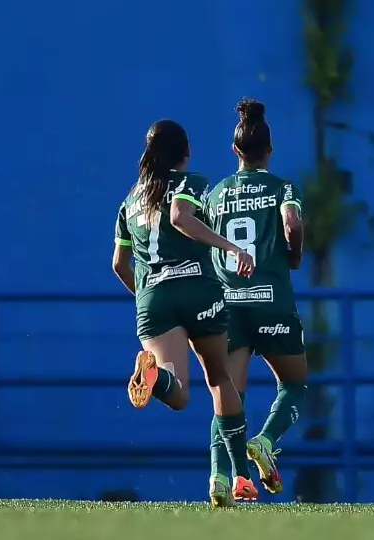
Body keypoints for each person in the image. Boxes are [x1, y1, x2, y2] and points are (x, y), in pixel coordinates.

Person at [112, 119, 259, 505]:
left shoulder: (129, 201)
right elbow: (179, 217)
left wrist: (146, 297)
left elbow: (119, 264)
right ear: (185, 153)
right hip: (197, 288)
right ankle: (238, 478)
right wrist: (231, 248)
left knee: (177, 395)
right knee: (219, 378)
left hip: (154, 301)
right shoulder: (189, 182)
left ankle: (153, 375)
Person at [204, 98, 308, 502]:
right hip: (272, 301)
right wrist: (294, 253)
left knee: (228, 395)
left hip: (228, 305)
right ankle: (265, 440)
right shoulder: (283, 187)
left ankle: (219, 477)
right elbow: (292, 222)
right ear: (270, 149)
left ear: (235, 151)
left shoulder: (215, 194)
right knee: (295, 384)